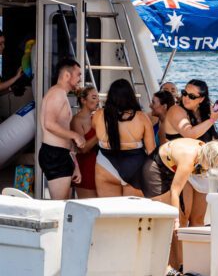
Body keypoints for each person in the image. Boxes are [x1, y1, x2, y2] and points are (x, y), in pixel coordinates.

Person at [141, 138, 218, 272]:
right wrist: (175, 219)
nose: (210, 168)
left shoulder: (202, 147)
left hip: (171, 168)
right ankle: (165, 267)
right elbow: (175, 191)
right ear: (208, 156)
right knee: (167, 222)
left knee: (178, 222)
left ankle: (178, 265)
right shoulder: (188, 160)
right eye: (211, 164)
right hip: (155, 170)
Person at [163, 79, 218, 226]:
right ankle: (177, 249)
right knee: (182, 218)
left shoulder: (203, 112)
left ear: (201, 99)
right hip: (180, 168)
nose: (186, 98)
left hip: (200, 169)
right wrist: (212, 120)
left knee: (198, 219)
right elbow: (189, 134)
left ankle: (192, 249)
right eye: (184, 93)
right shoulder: (176, 110)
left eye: (192, 96)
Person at [93, 79, 155, 197]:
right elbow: (151, 151)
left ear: (110, 96)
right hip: (135, 166)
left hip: (105, 165)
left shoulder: (99, 115)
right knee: (134, 213)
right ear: (130, 96)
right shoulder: (141, 117)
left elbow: (94, 130)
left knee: (109, 211)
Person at [39, 58, 85, 200]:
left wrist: (74, 164)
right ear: (66, 75)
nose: (79, 79)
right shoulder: (57, 93)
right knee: (59, 207)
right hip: (54, 154)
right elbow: (49, 124)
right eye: (78, 75)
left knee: (64, 205)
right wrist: (75, 135)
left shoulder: (61, 94)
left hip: (61, 155)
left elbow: (62, 132)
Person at [71, 85, 100, 198]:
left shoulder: (96, 118)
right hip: (85, 166)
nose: (97, 101)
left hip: (99, 166)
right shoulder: (76, 120)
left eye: (97, 97)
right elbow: (83, 149)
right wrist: (99, 134)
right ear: (83, 100)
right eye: (93, 97)